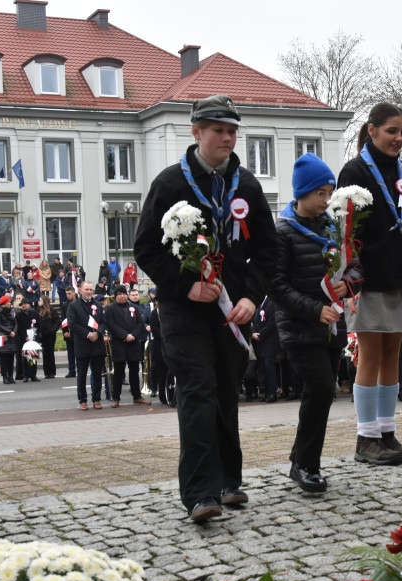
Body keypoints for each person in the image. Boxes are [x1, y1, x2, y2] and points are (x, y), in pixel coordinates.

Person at [133, 94, 277, 522]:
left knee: (226, 392)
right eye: (218, 130)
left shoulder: (247, 186)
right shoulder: (169, 183)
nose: (227, 138)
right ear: (196, 132)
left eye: (233, 131)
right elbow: (145, 250)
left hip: (232, 311)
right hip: (184, 309)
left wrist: (252, 296)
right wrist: (186, 285)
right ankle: (200, 493)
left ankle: (229, 479)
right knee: (197, 390)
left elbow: (268, 252)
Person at [337, 102, 402, 465]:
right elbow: (345, 231)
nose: (398, 138)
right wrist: (350, 280)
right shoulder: (354, 171)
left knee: (392, 357)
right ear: (372, 130)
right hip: (368, 282)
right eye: (391, 131)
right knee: (370, 355)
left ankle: (386, 431)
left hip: (400, 279)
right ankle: (366, 439)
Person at [271, 153, 363, 493]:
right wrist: (313, 309)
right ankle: (306, 465)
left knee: (322, 393)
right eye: (320, 193)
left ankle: (301, 459)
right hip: (299, 327)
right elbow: (276, 285)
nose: (327, 200)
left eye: (330, 192)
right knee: (322, 388)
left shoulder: (334, 226)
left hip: (332, 325)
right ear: (302, 193)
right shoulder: (282, 232)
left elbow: (355, 263)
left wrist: (348, 283)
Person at [105, 286, 150, 406]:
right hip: (119, 343)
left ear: (127, 295)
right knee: (118, 372)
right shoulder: (110, 309)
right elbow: (111, 325)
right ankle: (116, 398)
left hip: (133, 344)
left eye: (124, 294)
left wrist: (133, 335)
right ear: (115, 296)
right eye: (119, 294)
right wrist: (125, 335)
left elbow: (140, 324)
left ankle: (137, 396)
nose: (122, 296)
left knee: (135, 371)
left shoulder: (134, 307)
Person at [67, 280, 106, 409]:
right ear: (80, 290)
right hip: (82, 344)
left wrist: (98, 333)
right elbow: (72, 324)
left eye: (91, 290)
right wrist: (88, 334)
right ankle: (82, 400)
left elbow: (103, 322)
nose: (89, 292)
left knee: (97, 374)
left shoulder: (98, 305)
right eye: (87, 289)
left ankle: (96, 399)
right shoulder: (73, 305)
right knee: (82, 375)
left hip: (97, 344)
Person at [251, 297, 280, 402]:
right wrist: (253, 333)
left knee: (269, 366)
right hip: (259, 341)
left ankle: (273, 393)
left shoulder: (271, 302)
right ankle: (267, 393)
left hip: (269, 341)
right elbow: (254, 320)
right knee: (263, 368)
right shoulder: (259, 303)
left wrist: (261, 334)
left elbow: (272, 321)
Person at [0, 295, 17, 384]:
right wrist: (9, 332)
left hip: (12, 336)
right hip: (3, 337)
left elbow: (15, 322)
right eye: (8, 302)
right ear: (4, 303)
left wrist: (14, 331)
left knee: (11, 358)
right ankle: (5, 376)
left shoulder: (11, 311)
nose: (10, 303)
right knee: (4, 358)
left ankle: (10, 376)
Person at [36, 295, 59, 379]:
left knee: (50, 353)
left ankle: (52, 371)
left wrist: (52, 330)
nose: (39, 302)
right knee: (45, 354)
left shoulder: (52, 311)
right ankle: (46, 371)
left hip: (50, 335)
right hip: (42, 335)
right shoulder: (38, 310)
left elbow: (57, 322)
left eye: (40, 300)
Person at [60, 286, 77, 377]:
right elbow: (63, 319)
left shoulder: (79, 302)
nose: (68, 295)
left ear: (74, 293)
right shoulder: (65, 305)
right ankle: (71, 370)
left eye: (69, 293)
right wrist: (65, 331)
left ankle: (81, 369)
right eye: (66, 294)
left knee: (79, 352)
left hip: (78, 332)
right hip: (69, 332)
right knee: (70, 352)